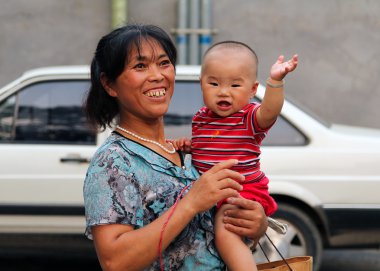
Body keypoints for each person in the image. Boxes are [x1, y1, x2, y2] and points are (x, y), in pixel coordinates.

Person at [83, 24, 269, 271]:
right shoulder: (113, 162)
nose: (157, 75)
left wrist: (256, 226)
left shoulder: (188, 151)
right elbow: (115, 261)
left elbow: (215, 237)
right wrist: (191, 203)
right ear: (109, 85)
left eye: (163, 63)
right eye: (140, 66)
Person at [172, 41, 298, 270]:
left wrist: (276, 82)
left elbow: (270, 111)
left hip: (241, 190)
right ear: (201, 84)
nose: (223, 91)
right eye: (214, 83)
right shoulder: (201, 118)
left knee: (225, 232)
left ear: (252, 90)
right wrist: (189, 146)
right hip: (213, 192)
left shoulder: (248, 118)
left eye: (235, 85)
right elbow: (207, 147)